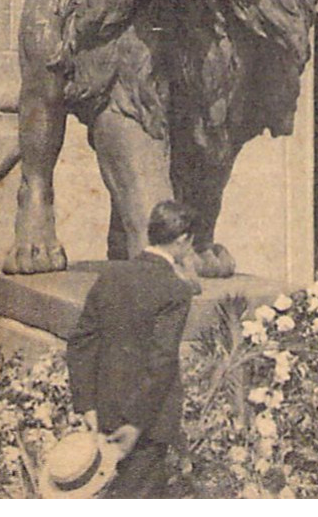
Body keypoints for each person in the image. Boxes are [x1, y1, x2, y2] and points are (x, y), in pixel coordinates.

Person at [67, 199, 202, 498]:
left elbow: (80, 342)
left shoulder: (110, 276)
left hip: (103, 414)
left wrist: (87, 405)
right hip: (146, 423)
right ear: (182, 240)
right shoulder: (176, 289)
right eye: (190, 244)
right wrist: (135, 424)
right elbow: (161, 361)